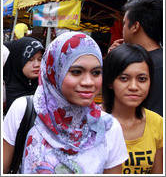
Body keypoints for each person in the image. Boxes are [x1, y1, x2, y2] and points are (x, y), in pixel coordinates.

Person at [3, 32, 128, 174]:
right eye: (76, 72)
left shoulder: (107, 128)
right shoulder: (25, 110)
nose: (88, 82)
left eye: (96, 73)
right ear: (54, 72)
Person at [102, 43, 163, 174]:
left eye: (142, 79)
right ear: (110, 82)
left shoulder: (157, 122)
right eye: (124, 78)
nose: (134, 86)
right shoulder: (91, 121)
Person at [108, 0, 163, 116]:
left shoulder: (137, 65)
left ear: (135, 26)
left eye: (124, 23)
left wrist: (114, 65)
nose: (123, 29)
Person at [3, 37, 45, 114]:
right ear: (18, 60)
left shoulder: (46, 85)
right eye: (30, 60)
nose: (37, 65)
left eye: (40, 59)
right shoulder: (4, 87)